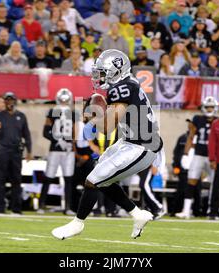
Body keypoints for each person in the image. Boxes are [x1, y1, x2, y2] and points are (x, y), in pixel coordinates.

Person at [51, 49, 163, 240]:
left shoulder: (123, 88)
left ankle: (78, 223)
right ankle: (138, 214)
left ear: (116, 70)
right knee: (101, 176)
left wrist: (93, 117)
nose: (98, 76)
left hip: (142, 146)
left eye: (102, 72)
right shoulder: (128, 84)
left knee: (93, 180)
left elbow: (107, 127)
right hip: (130, 141)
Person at [177, 97, 219, 219]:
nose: (209, 109)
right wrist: (185, 154)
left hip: (213, 157)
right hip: (199, 154)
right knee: (191, 180)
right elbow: (190, 137)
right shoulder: (197, 119)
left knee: (215, 184)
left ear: (215, 108)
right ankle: (186, 210)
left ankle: (212, 210)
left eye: (211, 107)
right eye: (207, 107)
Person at [0, 92, 32, 214]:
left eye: (11, 100)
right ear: (4, 102)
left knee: (16, 180)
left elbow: (27, 134)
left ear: (15, 101)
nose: (9, 102)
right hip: (2, 150)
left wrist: (29, 151)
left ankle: (16, 208)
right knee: (0, 180)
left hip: (16, 151)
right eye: (7, 100)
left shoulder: (21, 116)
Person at [38, 89, 78, 215]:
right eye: (62, 99)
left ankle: (67, 207)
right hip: (55, 149)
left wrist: (71, 143)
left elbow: (74, 132)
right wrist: (57, 139)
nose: (64, 101)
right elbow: (45, 132)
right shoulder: (52, 112)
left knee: (68, 179)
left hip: (68, 150)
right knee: (49, 176)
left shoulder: (73, 113)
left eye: (66, 99)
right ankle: (41, 205)